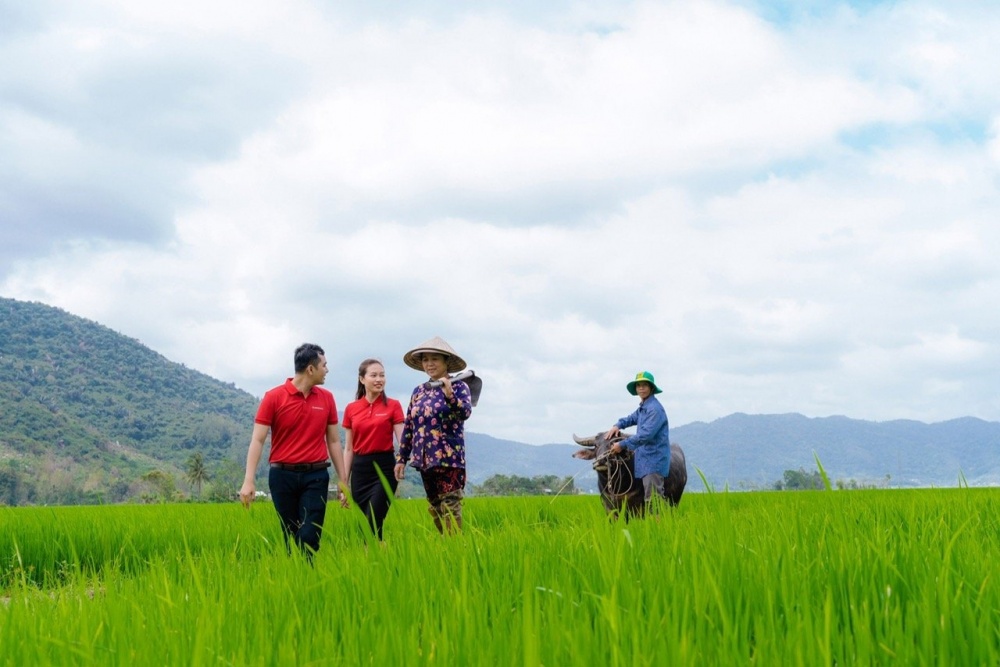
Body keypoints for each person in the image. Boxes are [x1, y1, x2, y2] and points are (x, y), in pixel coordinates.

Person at [239, 343, 348, 557]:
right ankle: (299, 578)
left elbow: (334, 442)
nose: (327, 370)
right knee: (290, 535)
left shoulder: (327, 398)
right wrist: (248, 479)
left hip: (315, 476)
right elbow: (258, 440)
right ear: (311, 369)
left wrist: (343, 479)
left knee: (309, 535)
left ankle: (308, 575)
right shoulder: (274, 397)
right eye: (324, 365)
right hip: (282, 476)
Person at [393, 336, 472, 535]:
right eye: (425, 359)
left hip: (448, 458)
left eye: (434, 359)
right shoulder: (419, 391)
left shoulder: (459, 386)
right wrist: (401, 458)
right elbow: (409, 426)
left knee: (450, 504)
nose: (429, 363)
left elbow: (465, 413)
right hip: (424, 458)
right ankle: (445, 547)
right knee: (435, 506)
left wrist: (449, 396)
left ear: (446, 362)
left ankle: (456, 549)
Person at [342, 358, 405, 541]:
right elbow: (348, 448)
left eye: (382, 375)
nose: (379, 379)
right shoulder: (351, 409)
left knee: (374, 518)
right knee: (369, 525)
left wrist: (402, 460)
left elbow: (402, 440)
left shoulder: (393, 405)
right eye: (374, 375)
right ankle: (377, 559)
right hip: (360, 471)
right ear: (362, 379)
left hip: (385, 468)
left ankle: (374, 557)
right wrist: (344, 481)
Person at [607, 371, 672, 511]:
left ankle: (659, 529)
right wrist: (618, 425)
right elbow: (631, 418)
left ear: (651, 388)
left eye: (644, 385)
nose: (641, 388)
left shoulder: (654, 409)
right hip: (644, 459)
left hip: (654, 459)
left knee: (654, 501)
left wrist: (622, 444)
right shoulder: (644, 407)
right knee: (649, 499)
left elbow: (645, 435)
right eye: (638, 385)